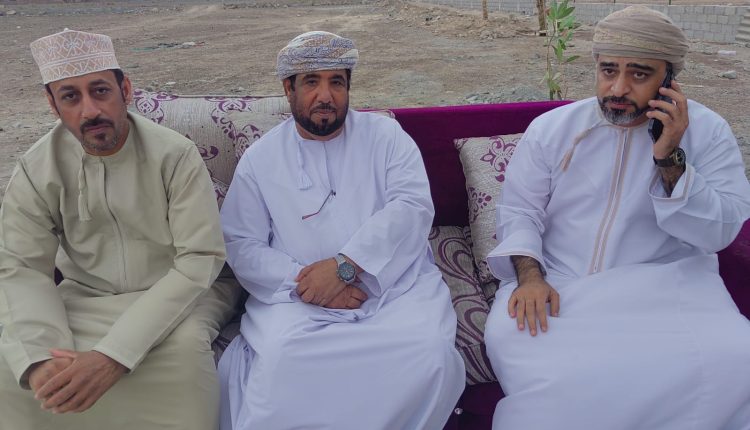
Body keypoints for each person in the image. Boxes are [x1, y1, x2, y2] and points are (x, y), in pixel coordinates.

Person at [484, 6, 750, 429]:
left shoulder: (708, 131)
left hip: (663, 287)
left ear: (669, 80)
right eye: (609, 70)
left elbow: (719, 232)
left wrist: (669, 157)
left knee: (735, 357)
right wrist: (530, 277)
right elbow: (519, 211)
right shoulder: (552, 128)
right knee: (531, 354)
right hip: (560, 284)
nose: (619, 87)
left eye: (639, 74)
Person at [218, 31, 465, 430]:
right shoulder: (260, 159)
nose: (326, 96)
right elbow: (241, 243)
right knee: (283, 360)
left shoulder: (386, 137)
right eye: (311, 82)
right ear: (288, 89)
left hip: (392, 290)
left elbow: (411, 207)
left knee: (428, 354)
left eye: (336, 81)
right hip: (300, 300)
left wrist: (346, 267)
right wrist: (308, 284)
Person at [0, 29, 240, 430]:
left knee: (183, 356)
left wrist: (114, 355)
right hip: (86, 295)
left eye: (100, 91)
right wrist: (39, 357)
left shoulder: (174, 154)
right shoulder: (36, 167)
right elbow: (20, 266)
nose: (90, 110)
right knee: (13, 372)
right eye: (70, 97)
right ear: (52, 104)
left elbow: (199, 260)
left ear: (125, 90)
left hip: (182, 294)